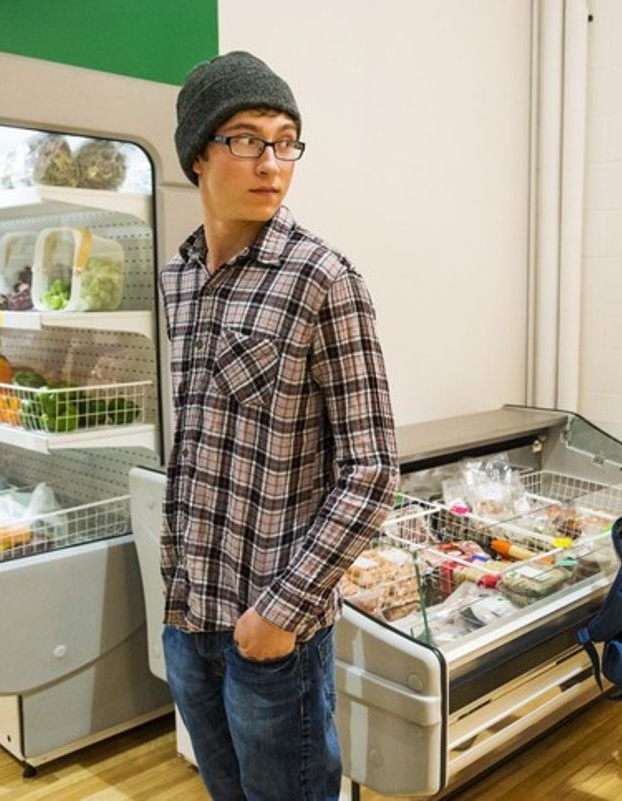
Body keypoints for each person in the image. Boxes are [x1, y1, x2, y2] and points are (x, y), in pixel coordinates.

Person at [159, 51, 399, 801]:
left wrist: (281, 611)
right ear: (199, 154)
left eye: (286, 140)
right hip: (189, 610)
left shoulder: (323, 277)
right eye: (246, 139)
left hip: (273, 629)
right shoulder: (179, 276)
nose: (272, 162)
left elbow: (373, 469)